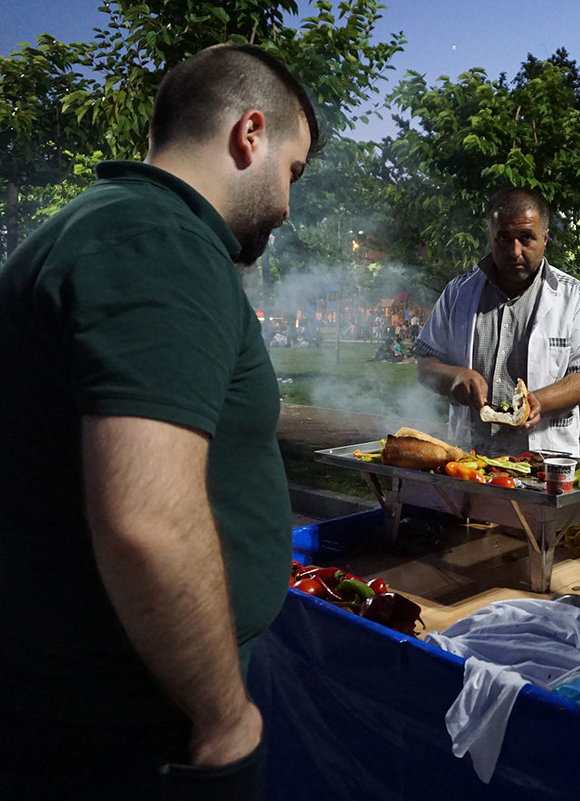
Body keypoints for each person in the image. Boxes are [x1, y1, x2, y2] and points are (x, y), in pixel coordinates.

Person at [0, 44, 320, 799]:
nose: (287, 204)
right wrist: (224, 718)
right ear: (250, 135)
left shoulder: (103, 225)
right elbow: (148, 518)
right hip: (124, 739)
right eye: (292, 173)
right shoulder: (161, 242)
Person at [413, 187, 580, 456]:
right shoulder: (457, 293)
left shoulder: (574, 297)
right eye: (503, 238)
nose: (514, 251)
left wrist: (539, 402)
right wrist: (455, 376)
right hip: (470, 456)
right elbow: (425, 367)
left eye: (526, 238)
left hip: (543, 458)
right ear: (490, 237)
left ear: (545, 238)